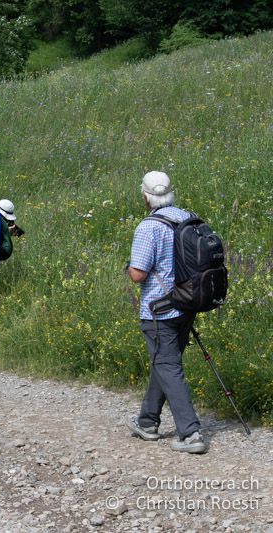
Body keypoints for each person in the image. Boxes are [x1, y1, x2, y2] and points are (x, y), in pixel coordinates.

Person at [126, 171, 206, 454]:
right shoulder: (187, 217)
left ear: (145, 196)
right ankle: (147, 422)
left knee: (168, 366)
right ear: (171, 192)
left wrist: (128, 266)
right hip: (188, 304)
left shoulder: (148, 227)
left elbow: (138, 274)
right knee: (165, 363)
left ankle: (191, 433)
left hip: (159, 311)